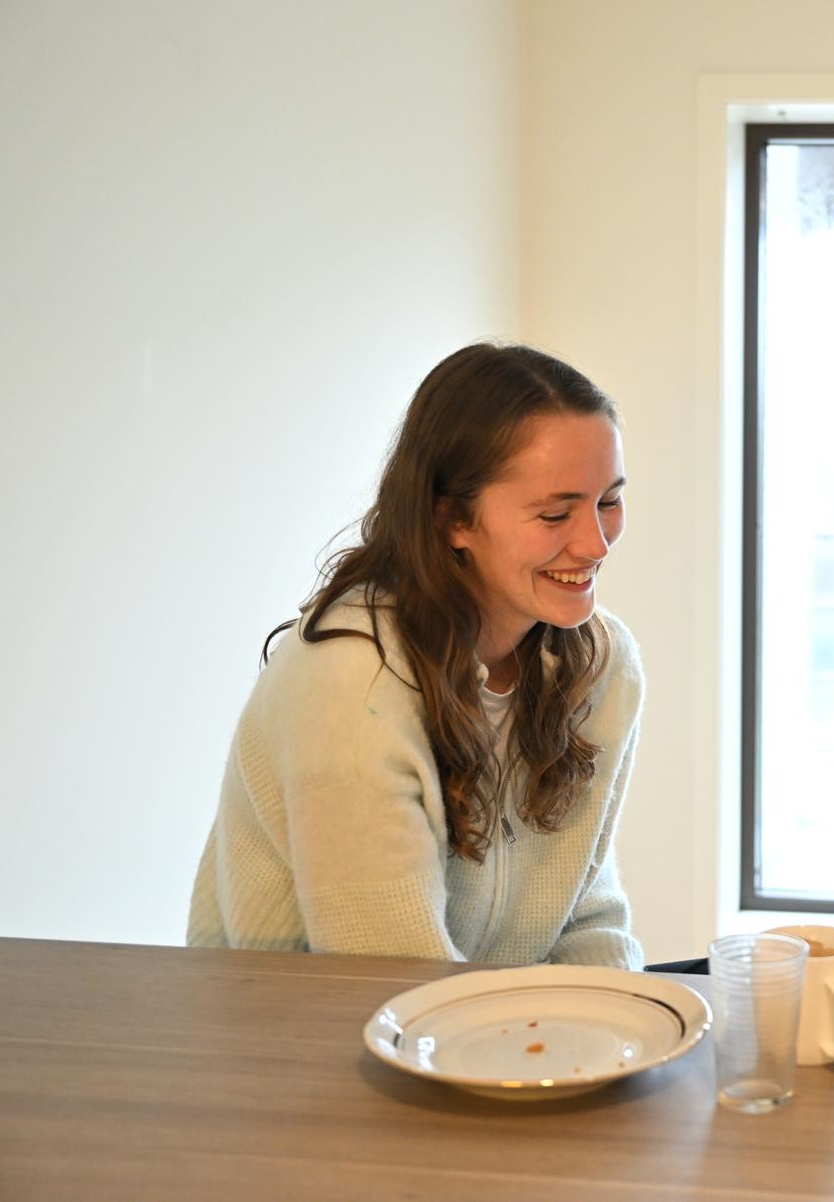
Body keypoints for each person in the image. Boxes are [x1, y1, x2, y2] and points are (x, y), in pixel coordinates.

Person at [188, 342, 644, 966]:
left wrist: (617, 1038)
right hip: (298, 1042)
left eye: (608, 501)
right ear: (453, 520)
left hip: (494, 1034)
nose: (595, 542)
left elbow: (588, 912)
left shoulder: (599, 663)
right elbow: (392, 979)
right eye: (555, 513)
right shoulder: (352, 681)